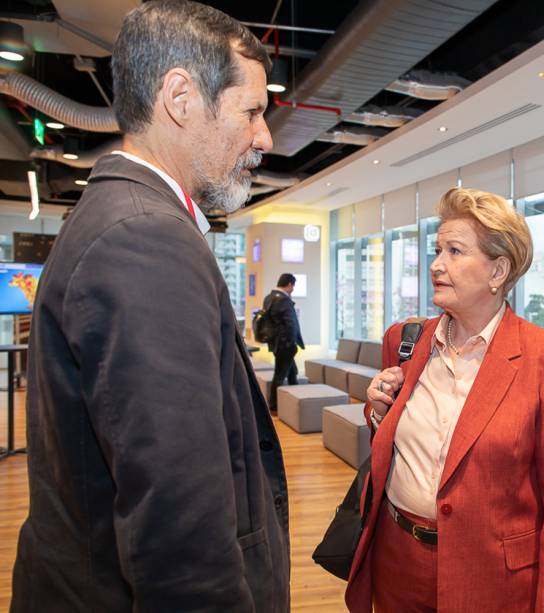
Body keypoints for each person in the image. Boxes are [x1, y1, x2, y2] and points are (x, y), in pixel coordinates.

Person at [11, 2, 290, 611]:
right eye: (251, 112)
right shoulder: (145, 240)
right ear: (181, 97)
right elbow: (177, 523)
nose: (265, 136)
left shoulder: (123, 219)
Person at [344, 187, 544, 613]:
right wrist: (378, 412)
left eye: (455, 251)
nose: (437, 265)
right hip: (397, 559)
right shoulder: (406, 342)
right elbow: (397, 440)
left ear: (498, 271)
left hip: (492, 578)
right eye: (438, 250)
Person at [264, 273, 305, 412]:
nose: (293, 289)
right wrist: (291, 344)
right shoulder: (283, 300)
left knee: (292, 372)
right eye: (293, 286)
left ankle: (295, 401)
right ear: (289, 284)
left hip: (276, 343)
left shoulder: (269, 297)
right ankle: (273, 406)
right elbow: (290, 325)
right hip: (285, 345)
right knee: (280, 375)